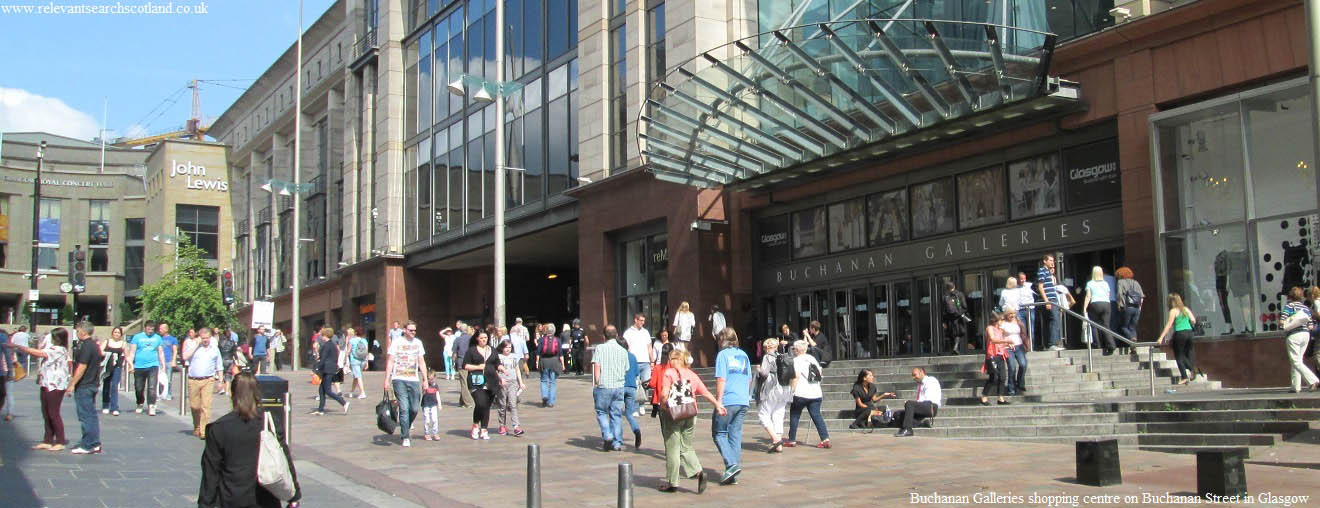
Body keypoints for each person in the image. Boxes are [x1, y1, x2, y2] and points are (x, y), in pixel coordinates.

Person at [198, 372, 302, 508]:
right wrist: (294, 496)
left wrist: (206, 504)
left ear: (232, 393)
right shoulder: (268, 423)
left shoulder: (219, 428)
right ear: (256, 393)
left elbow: (211, 473)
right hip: (266, 497)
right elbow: (284, 459)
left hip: (232, 498)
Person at [656, 349, 725, 493]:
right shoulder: (692, 374)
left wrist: (663, 404)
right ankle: (699, 471)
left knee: (673, 448)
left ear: (672, 360)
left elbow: (664, 394)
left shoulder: (669, 373)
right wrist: (717, 404)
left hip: (674, 414)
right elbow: (704, 392)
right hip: (691, 413)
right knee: (686, 446)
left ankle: (672, 482)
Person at [5, 327, 71, 450]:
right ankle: (48, 440)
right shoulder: (51, 348)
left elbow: (37, 353)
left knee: (53, 413)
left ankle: (60, 441)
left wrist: (18, 346)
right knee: (46, 413)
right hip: (46, 382)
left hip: (55, 385)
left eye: (53, 336)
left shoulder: (60, 350)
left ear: (59, 338)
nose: (51, 338)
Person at [711, 328, 752, 484]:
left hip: (728, 400)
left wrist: (718, 401)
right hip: (743, 400)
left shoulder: (722, 355)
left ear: (722, 340)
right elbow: (749, 379)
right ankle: (733, 473)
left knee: (719, 433)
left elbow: (721, 379)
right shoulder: (744, 355)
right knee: (735, 435)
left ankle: (731, 465)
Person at [384, 321, 429, 447]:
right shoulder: (397, 342)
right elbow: (391, 361)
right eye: (410, 330)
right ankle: (405, 436)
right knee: (404, 408)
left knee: (414, 409)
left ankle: (405, 426)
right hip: (399, 379)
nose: (413, 332)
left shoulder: (418, 343)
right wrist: (387, 379)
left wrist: (425, 379)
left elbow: (421, 362)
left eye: (414, 330)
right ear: (404, 330)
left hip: (413, 379)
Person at [785, 340, 829, 449]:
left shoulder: (796, 361)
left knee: (795, 415)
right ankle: (825, 439)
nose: (793, 350)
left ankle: (792, 439)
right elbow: (820, 373)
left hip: (801, 393)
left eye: (794, 349)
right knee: (817, 416)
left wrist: (791, 392)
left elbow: (796, 377)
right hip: (815, 392)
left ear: (797, 350)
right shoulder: (812, 359)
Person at [67, 322, 103, 454]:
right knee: (91, 415)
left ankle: (88, 444)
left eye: (77, 331)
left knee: (86, 415)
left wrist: (72, 384)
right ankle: (94, 442)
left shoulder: (86, 346)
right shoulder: (94, 345)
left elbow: (82, 367)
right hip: (92, 383)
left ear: (83, 332)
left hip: (85, 385)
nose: (76, 333)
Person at [592, 325, 629, 451]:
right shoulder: (623, 351)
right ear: (617, 335)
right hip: (619, 386)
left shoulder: (600, 348)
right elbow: (626, 369)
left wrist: (597, 382)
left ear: (604, 336)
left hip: (604, 385)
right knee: (616, 415)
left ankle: (607, 434)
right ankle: (617, 442)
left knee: (601, 412)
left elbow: (597, 366)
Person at [184, 327, 224, 439]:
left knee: (205, 406)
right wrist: (196, 345)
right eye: (203, 338)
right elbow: (185, 357)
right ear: (199, 338)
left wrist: (220, 381)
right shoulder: (194, 347)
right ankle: (197, 426)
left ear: (210, 337)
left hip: (208, 380)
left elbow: (219, 366)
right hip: (193, 380)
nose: (205, 340)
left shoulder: (215, 349)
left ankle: (204, 431)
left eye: (207, 338)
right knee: (195, 406)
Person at [1279, 287, 1319, 392]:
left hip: (1294, 335)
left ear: (1290, 296)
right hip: (1305, 335)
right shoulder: (1305, 308)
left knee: (1295, 360)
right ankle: (1295, 387)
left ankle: (1313, 380)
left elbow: (1282, 321)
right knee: (1298, 360)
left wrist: (1286, 323)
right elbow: (1310, 326)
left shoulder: (1289, 306)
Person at [756, 337, 792, 452]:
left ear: (767, 347)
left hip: (772, 389)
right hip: (785, 388)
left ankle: (776, 440)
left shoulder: (768, 357)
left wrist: (758, 369)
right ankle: (779, 445)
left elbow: (765, 373)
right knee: (778, 415)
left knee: (763, 414)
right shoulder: (782, 356)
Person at [1156, 293, 1200, 385]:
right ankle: (1192, 368)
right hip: (1189, 333)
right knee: (1184, 354)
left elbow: (1168, 325)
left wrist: (1161, 337)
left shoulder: (1173, 311)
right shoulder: (1186, 309)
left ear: (1171, 302)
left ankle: (1185, 376)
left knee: (1179, 356)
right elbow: (1193, 320)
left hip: (1180, 334)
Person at [127, 320, 166, 416]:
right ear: (145, 328)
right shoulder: (137, 337)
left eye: (152, 329)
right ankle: (140, 403)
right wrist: (130, 364)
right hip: (139, 366)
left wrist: (163, 365)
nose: (150, 331)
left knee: (152, 387)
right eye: (148, 329)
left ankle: (152, 405)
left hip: (153, 365)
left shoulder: (157, 338)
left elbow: (160, 352)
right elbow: (132, 352)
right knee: (139, 387)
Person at [892, 367, 943, 437]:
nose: (913, 378)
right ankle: (921, 424)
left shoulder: (931, 380)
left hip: (931, 406)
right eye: (912, 376)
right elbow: (919, 402)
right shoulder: (920, 385)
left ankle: (908, 429)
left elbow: (927, 400)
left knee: (909, 404)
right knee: (897, 414)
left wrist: (909, 404)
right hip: (923, 407)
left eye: (915, 375)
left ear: (921, 372)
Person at [462, 331, 495, 440]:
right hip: (476, 381)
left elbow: (497, 363)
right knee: (481, 403)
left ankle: (484, 429)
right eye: (481, 338)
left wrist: (501, 368)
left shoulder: (491, 350)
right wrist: (478, 367)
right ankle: (476, 425)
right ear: (477, 339)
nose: (484, 340)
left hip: (490, 381)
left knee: (487, 405)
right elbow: (465, 365)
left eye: (485, 337)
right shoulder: (471, 351)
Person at [622, 313, 654, 416]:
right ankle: (635, 407)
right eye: (640, 320)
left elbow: (649, 347)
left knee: (645, 384)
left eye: (643, 321)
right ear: (635, 320)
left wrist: (652, 360)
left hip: (645, 362)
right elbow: (625, 347)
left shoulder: (646, 332)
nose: (642, 323)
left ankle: (642, 405)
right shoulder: (628, 333)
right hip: (633, 362)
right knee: (635, 385)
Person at [312, 329, 349, 416]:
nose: (321, 336)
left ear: (325, 336)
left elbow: (323, 358)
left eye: (322, 335)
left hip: (328, 369)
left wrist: (317, 369)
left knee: (328, 390)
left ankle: (344, 403)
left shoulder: (327, 345)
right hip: (329, 368)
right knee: (321, 390)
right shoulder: (331, 344)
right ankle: (320, 410)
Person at [1036, 253, 1068, 351]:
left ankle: (1047, 344)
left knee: (1048, 322)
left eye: (1053, 260)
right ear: (1044, 261)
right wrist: (1047, 301)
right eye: (1050, 260)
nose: (1052, 262)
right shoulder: (1042, 271)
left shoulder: (1047, 272)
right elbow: (1040, 286)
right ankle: (1052, 343)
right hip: (1049, 300)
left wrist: (1051, 273)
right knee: (1055, 321)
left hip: (1050, 300)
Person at [1082, 266, 1117, 355]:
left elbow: (1088, 296)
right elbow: (1108, 294)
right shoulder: (1105, 283)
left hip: (1095, 303)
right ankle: (1111, 345)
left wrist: (1084, 307)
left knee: (1094, 325)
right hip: (1106, 304)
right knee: (1106, 325)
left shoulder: (1090, 283)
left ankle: (1097, 345)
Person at [494, 339, 526, 436]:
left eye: (509, 347)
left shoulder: (514, 357)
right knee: (502, 405)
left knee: (513, 404)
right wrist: (499, 380)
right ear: (502, 348)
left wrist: (521, 382)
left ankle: (516, 426)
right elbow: (494, 371)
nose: (508, 349)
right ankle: (502, 425)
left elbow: (517, 370)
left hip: (513, 383)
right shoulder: (498, 357)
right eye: (506, 347)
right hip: (502, 383)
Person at [979, 313, 1011, 406]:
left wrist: (1007, 344)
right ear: (995, 320)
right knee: (993, 377)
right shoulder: (990, 328)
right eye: (1001, 320)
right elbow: (993, 339)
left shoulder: (1000, 330)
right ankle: (984, 397)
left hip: (1000, 354)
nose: (1002, 322)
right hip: (992, 355)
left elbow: (1000, 343)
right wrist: (1006, 341)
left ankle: (1000, 398)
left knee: (1002, 377)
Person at [621, 337, 644, 449]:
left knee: (616, 413)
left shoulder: (618, 357)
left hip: (620, 386)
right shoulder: (632, 356)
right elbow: (636, 373)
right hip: (631, 387)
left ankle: (617, 438)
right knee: (629, 414)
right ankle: (636, 430)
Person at [1001, 306, 1029, 395]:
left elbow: (1023, 333)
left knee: (1023, 364)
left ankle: (1020, 382)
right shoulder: (1002, 323)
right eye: (1010, 314)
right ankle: (1011, 388)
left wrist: (1026, 343)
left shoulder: (1018, 321)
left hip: (1019, 346)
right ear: (1006, 314)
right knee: (1012, 367)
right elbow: (1000, 335)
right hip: (1008, 348)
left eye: (1013, 313)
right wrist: (1005, 343)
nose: (1012, 315)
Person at [1115, 267, 1145, 349]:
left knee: (1124, 326)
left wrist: (1119, 305)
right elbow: (1142, 296)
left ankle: (1131, 339)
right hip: (1137, 308)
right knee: (1132, 328)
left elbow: (1119, 294)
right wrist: (1139, 307)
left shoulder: (1120, 282)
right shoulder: (1136, 282)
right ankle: (1133, 344)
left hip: (1127, 307)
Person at [101, 326, 127, 416]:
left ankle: (114, 407)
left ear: (121, 334)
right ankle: (105, 405)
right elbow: (100, 351)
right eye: (115, 332)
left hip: (117, 366)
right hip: (107, 367)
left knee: (114, 386)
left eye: (118, 333)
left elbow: (126, 355)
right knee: (106, 385)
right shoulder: (107, 342)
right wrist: (107, 353)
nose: (116, 334)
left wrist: (130, 365)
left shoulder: (123, 343)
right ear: (112, 333)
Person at [537, 324, 563, 407]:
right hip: (554, 361)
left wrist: (537, 362)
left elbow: (538, 352)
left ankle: (545, 396)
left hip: (544, 361)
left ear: (546, 331)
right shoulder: (558, 340)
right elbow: (560, 353)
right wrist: (563, 364)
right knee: (552, 382)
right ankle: (551, 402)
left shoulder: (541, 340)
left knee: (543, 380)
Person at [941, 281, 970, 355]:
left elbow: (943, 310)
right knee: (959, 333)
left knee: (951, 334)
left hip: (949, 318)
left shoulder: (945, 296)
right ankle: (955, 347)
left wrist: (944, 321)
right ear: (954, 286)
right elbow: (964, 306)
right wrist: (961, 313)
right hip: (958, 317)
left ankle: (953, 350)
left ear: (947, 288)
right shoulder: (959, 294)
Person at [452, 323, 474, 408]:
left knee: (464, 383)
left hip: (461, 363)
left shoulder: (457, 339)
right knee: (466, 382)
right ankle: (462, 401)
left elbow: (454, 353)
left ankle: (468, 403)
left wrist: (453, 363)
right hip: (471, 363)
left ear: (460, 330)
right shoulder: (472, 339)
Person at [345, 327, 368, 399]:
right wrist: (367, 362)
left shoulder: (352, 340)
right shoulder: (364, 340)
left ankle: (362, 392)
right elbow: (366, 352)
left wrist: (345, 360)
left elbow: (348, 351)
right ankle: (351, 391)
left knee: (358, 376)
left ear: (355, 333)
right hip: (363, 360)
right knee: (356, 376)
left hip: (355, 360)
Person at [157, 323, 179, 400]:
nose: (160, 330)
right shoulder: (158, 339)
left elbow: (175, 350)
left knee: (168, 379)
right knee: (159, 379)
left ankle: (168, 394)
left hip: (169, 360)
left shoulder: (173, 339)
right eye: (159, 329)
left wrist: (174, 360)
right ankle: (160, 394)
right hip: (159, 361)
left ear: (166, 329)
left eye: (161, 329)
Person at [217, 328, 237, 395]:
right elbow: (234, 352)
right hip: (230, 360)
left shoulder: (220, 342)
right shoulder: (232, 342)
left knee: (221, 374)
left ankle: (222, 389)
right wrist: (236, 360)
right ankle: (227, 391)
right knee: (228, 375)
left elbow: (218, 352)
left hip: (222, 359)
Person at [421, 375, 441, 441]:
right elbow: (423, 392)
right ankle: (427, 433)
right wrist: (424, 386)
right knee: (427, 420)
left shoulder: (436, 386)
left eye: (432, 379)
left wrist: (439, 404)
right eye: (429, 379)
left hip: (433, 404)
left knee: (434, 419)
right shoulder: (425, 384)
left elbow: (437, 395)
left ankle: (435, 433)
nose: (431, 381)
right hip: (426, 404)